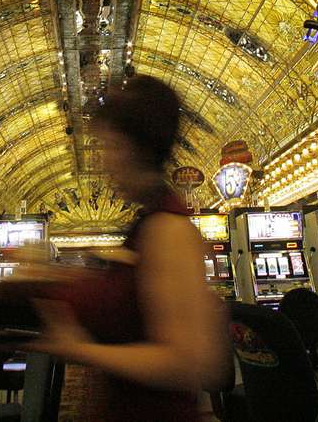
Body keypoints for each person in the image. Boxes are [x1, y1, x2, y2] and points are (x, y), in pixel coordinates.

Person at [27, 75, 231, 421]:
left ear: (134, 148)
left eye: (109, 147)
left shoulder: (168, 229)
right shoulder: (146, 224)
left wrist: (81, 350)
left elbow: (188, 362)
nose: (103, 162)